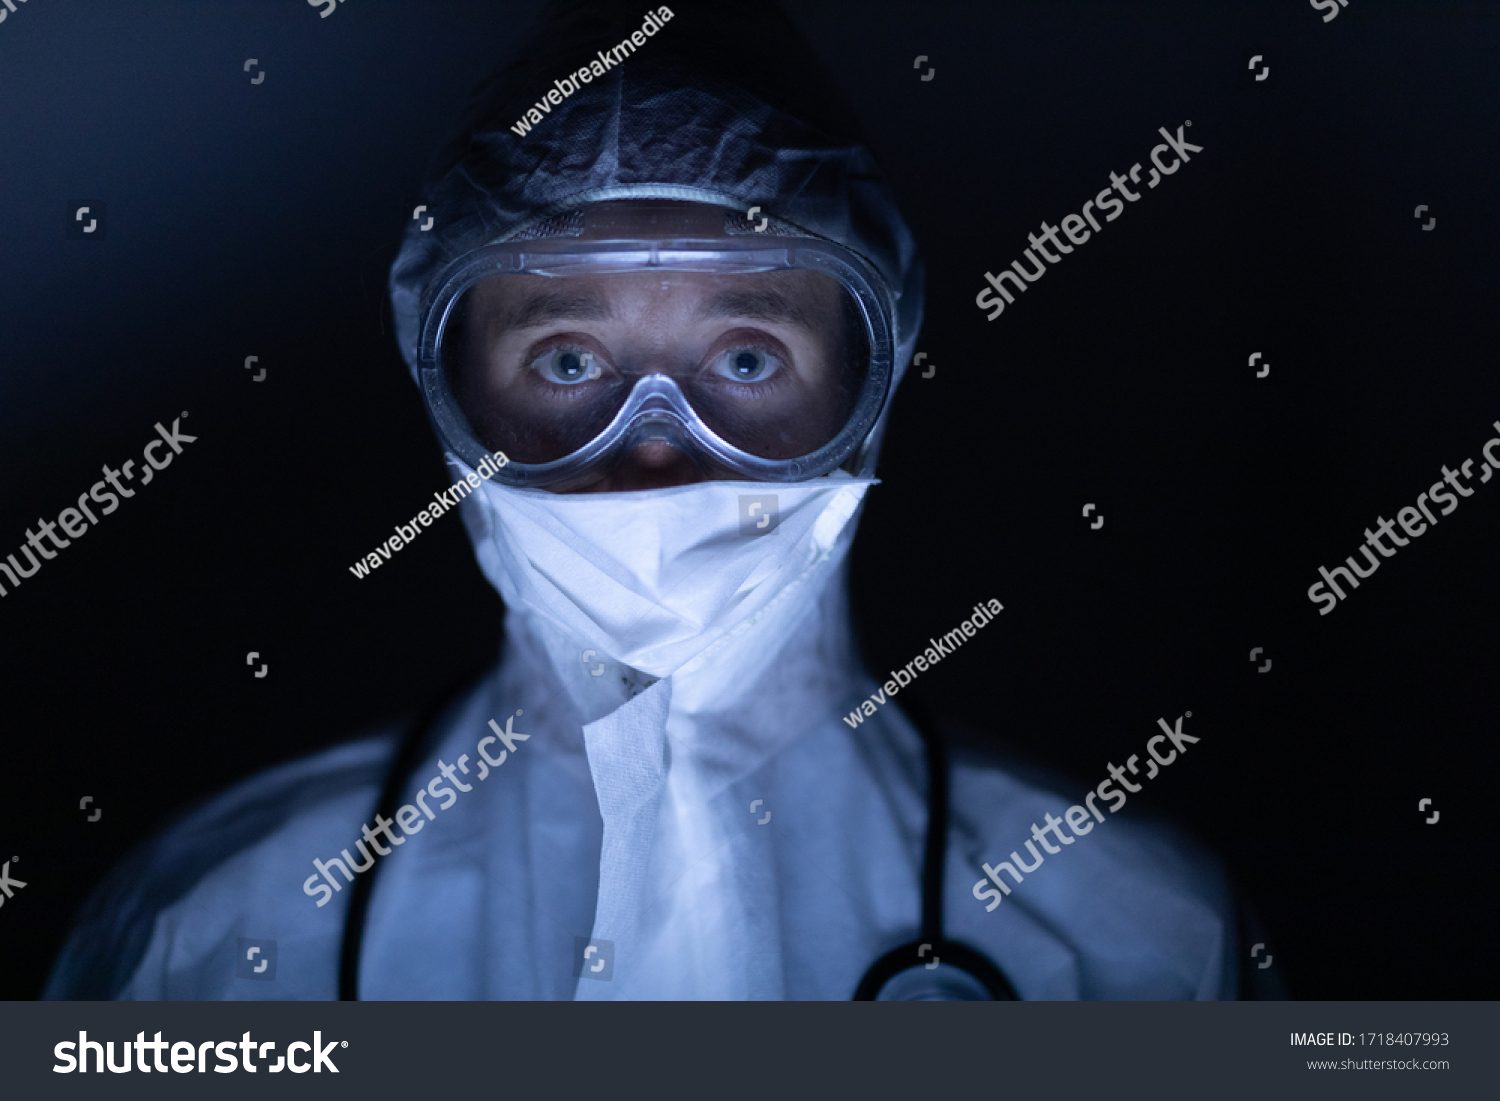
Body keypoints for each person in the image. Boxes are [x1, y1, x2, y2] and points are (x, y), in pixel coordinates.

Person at [46, 0, 1259, 1001]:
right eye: (570, 363)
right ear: (450, 395)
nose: (658, 459)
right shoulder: (213, 943)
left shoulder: (1133, 943)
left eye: (745, 359)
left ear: (869, 384)